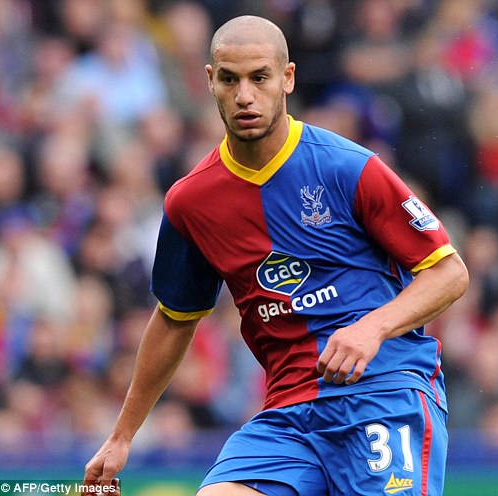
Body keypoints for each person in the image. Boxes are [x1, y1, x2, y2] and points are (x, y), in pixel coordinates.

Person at [83, 15, 468, 496]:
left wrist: (372, 327)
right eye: (230, 79)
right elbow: (174, 319)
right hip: (289, 416)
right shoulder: (191, 203)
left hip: (383, 393)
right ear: (210, 81)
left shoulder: (349, 167)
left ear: (287, 78)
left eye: (259, 77)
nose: (244, 95)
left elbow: (449, 272)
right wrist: (122, 436)